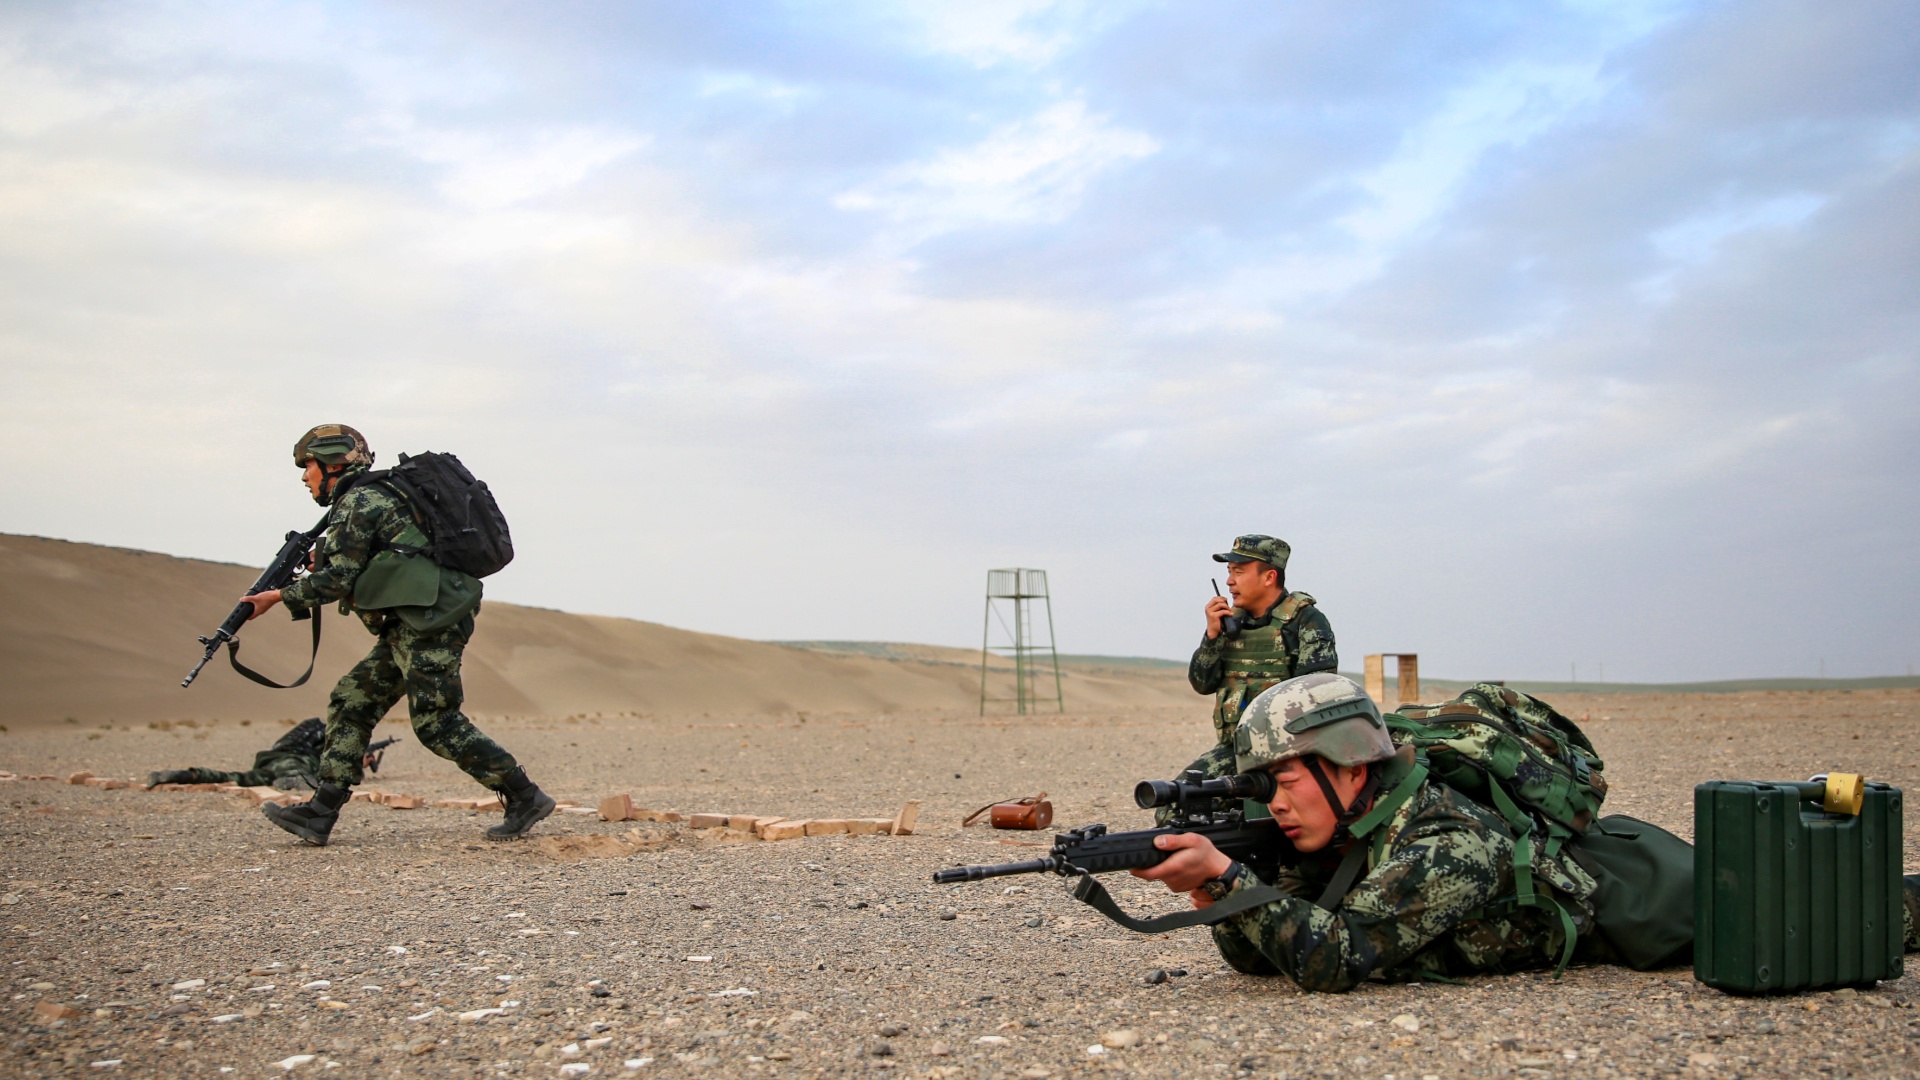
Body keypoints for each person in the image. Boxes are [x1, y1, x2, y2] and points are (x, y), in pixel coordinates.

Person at [1132, 672, 1920, 992]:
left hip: (1642, 901)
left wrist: (1229, 882)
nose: (1272, 804)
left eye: (1284, 781)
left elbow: (1335, 959)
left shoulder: (1442, 833)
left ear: (1345, 763)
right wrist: (1211, 880)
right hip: (1600, 872)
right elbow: (1264, 954)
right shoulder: (1348, 827)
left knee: (1843, 913)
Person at [238, 424, 554, 846]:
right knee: (352, 701)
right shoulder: (375, 496)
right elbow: (379, 560)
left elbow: (337, 581)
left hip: (430, 621)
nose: (304, 476)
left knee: (436, 722)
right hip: (412, 623)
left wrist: (276, 597)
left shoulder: (360, 500)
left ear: (332, 464)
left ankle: (523, 795)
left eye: (308, 466)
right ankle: (321, 811)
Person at [1191, 535, 1336, 750]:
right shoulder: (1230, 621)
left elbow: (1318, 699)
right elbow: (1202, 684)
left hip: (1289, 751)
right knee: (1182, 785)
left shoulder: (1306, 621)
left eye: (1238, 572)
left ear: (1269, 577)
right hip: (1235, 750)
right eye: (1229, 572)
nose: (1230, 581)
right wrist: (1212, 637)